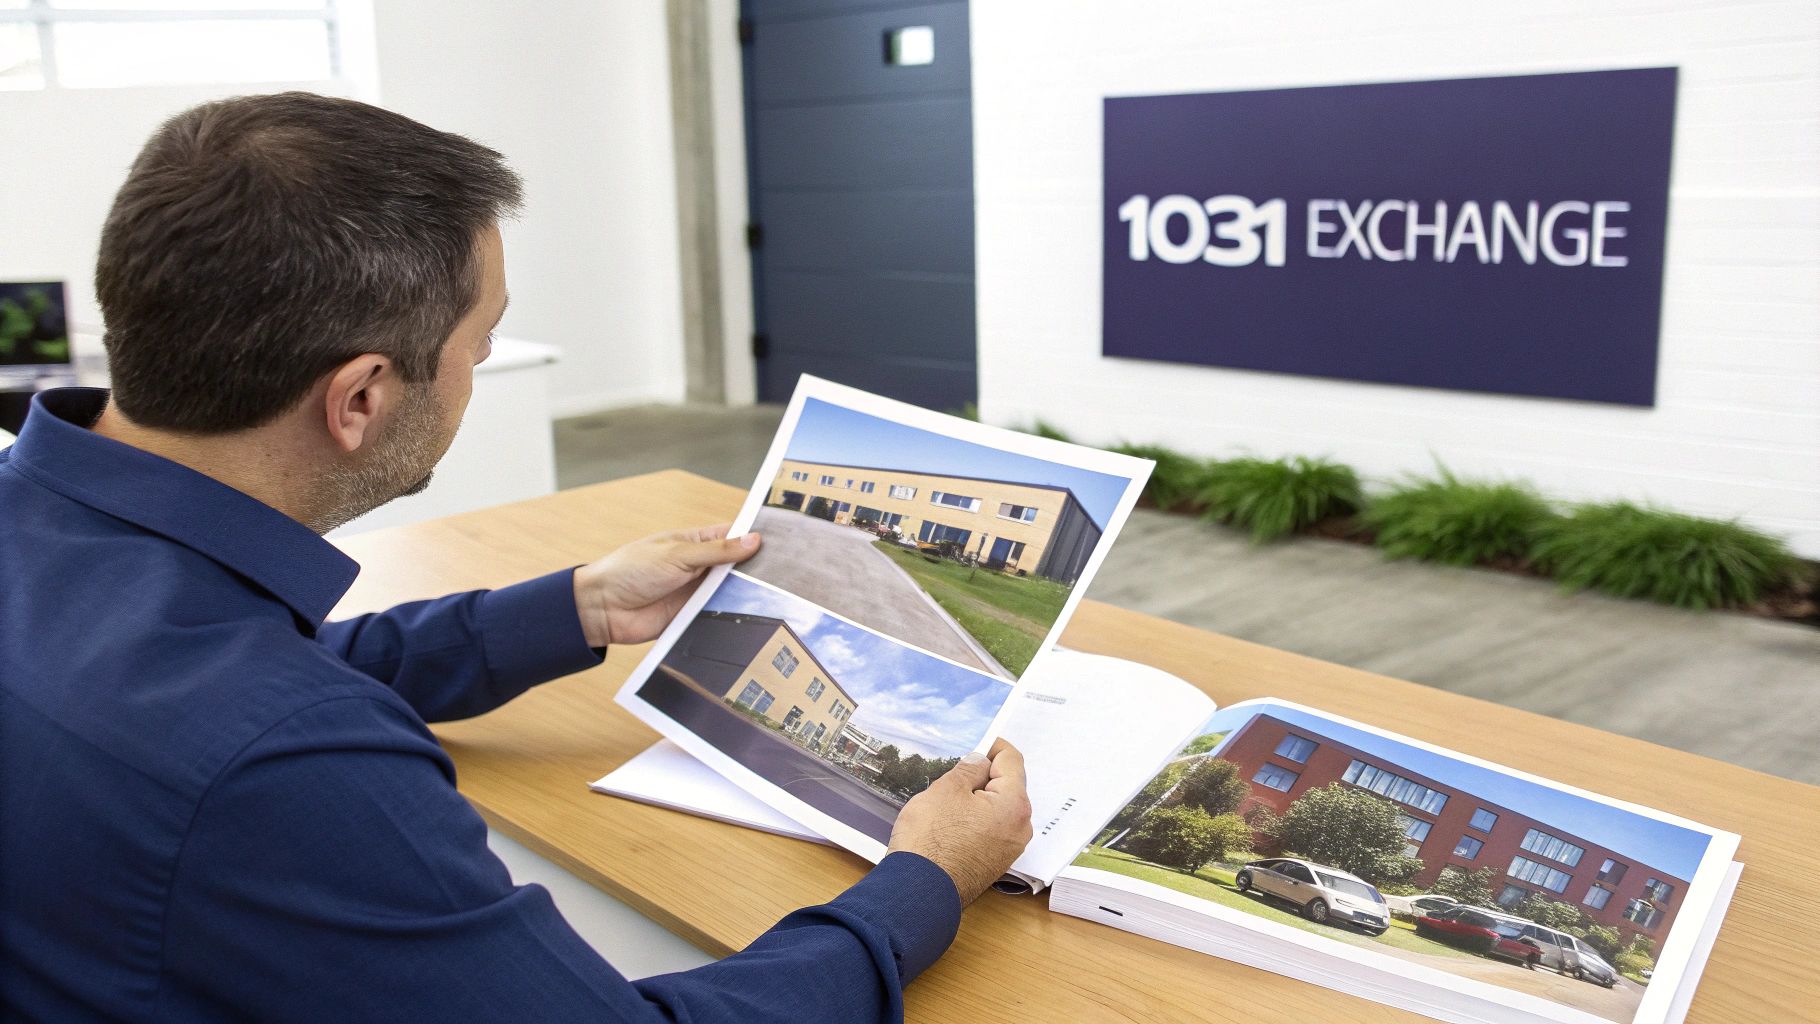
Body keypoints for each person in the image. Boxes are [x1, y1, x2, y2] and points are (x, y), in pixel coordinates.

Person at [0, 92, 1032, 1022]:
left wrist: (578, 603)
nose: (478, 374)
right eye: (480, 347)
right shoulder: (287, 767)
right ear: (361, 398)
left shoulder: (60, 552)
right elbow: (262, 729)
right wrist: (922, 880)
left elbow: (234, 681)